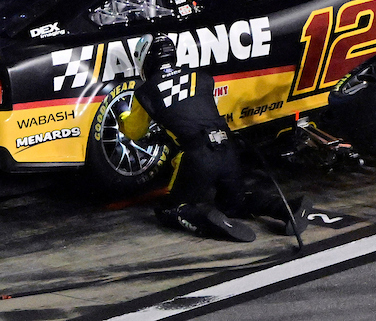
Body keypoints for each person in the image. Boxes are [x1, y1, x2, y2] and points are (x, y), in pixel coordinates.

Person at [120, 35, 310, 241]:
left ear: (146, 61)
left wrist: (122, 117)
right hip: (228, 148)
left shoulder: (145, 91)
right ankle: (288, 208)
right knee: (235, 203)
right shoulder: (201, 77)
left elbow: (134, 131)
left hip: (198, 156)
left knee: (169, 209)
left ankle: (209, 221)